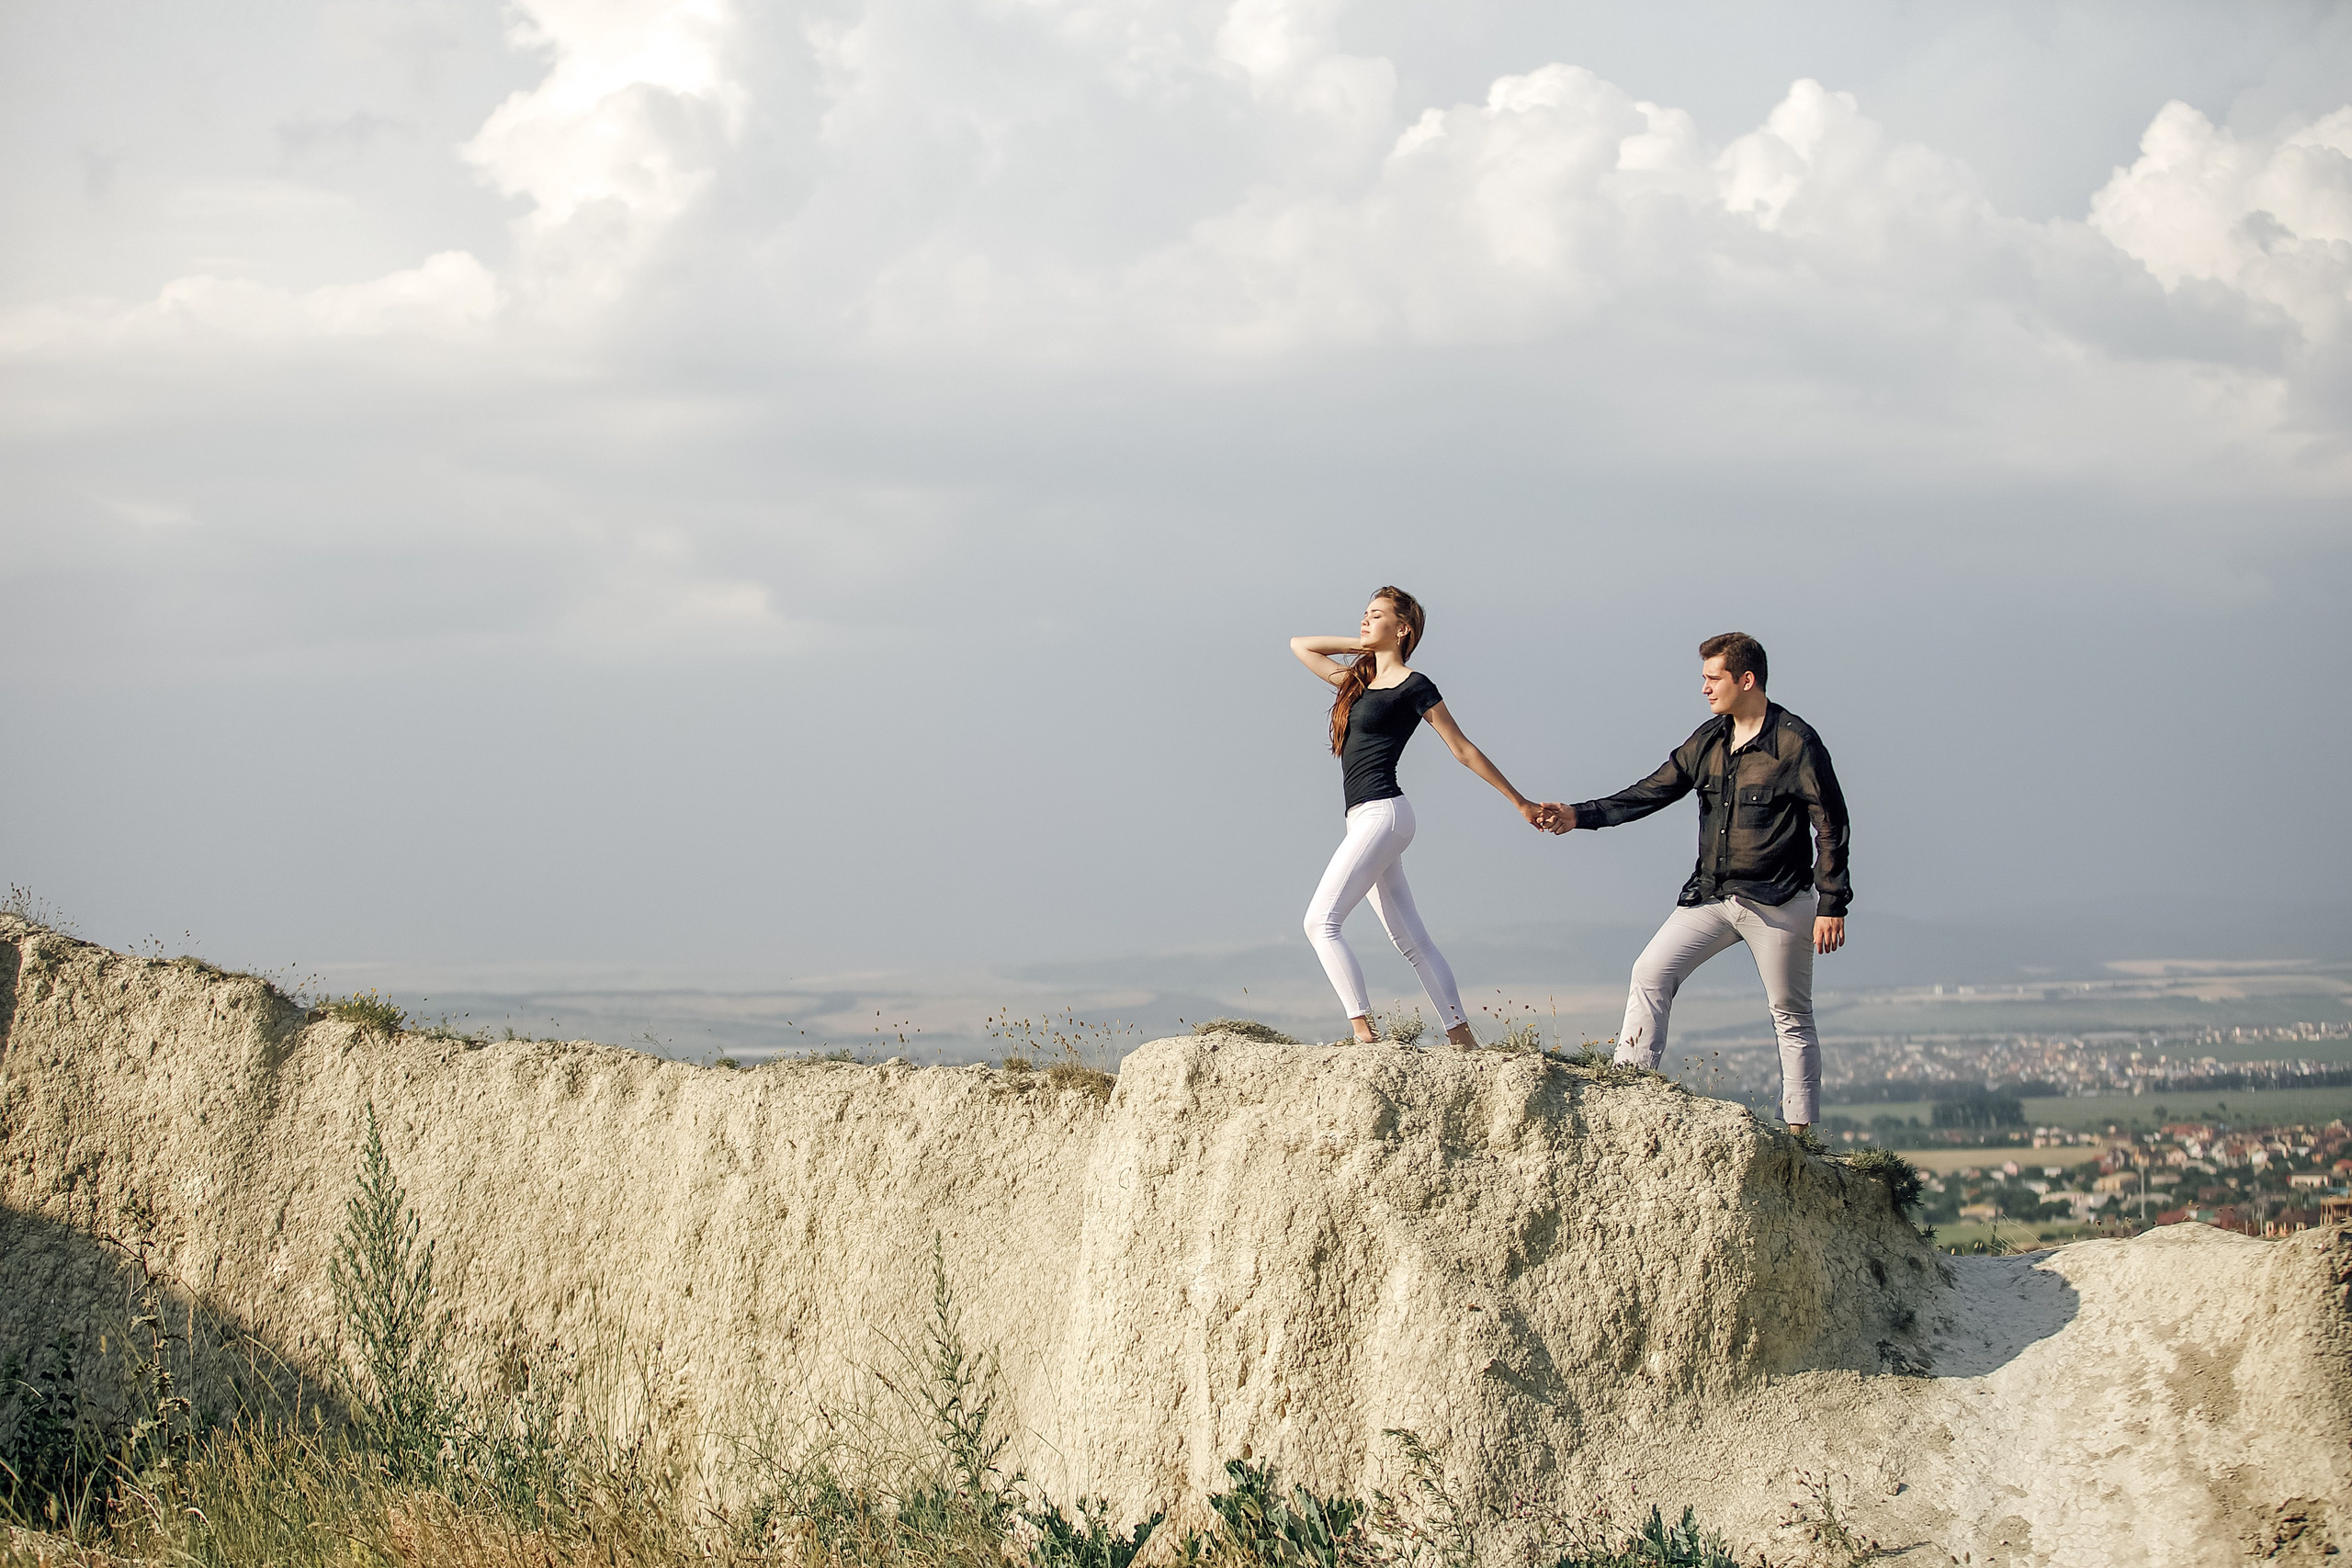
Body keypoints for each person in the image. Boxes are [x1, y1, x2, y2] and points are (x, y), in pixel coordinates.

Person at [1544, 633, 1850, 1134]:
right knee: (1650, 972)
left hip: (1778, 900)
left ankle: (1800, 1135)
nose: (1705, 688)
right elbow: (1651, 791)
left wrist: (1832, 903)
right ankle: (1629, 1091)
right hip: (1711, 895)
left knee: (1790, 1014)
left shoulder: (1796, 743)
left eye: (1713, 678)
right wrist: (1578, 815)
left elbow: (1831, 825)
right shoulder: (1709, 740)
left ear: (1745, 680)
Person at [1292, 587, 1556, 1049]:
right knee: (1411, 940)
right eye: (1364, 613)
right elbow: (1301, 645)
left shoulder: (1414, 686)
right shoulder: (1356, 682)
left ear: (1403, 628)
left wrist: (1520, 802)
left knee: (1320, 922)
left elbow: (1462, 749)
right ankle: (1462, 1039)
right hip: (1363, 819)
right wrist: (1366, 646)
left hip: (1384, 814)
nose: (1364, 620)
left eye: (1376, 615)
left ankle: (1363, 1034)